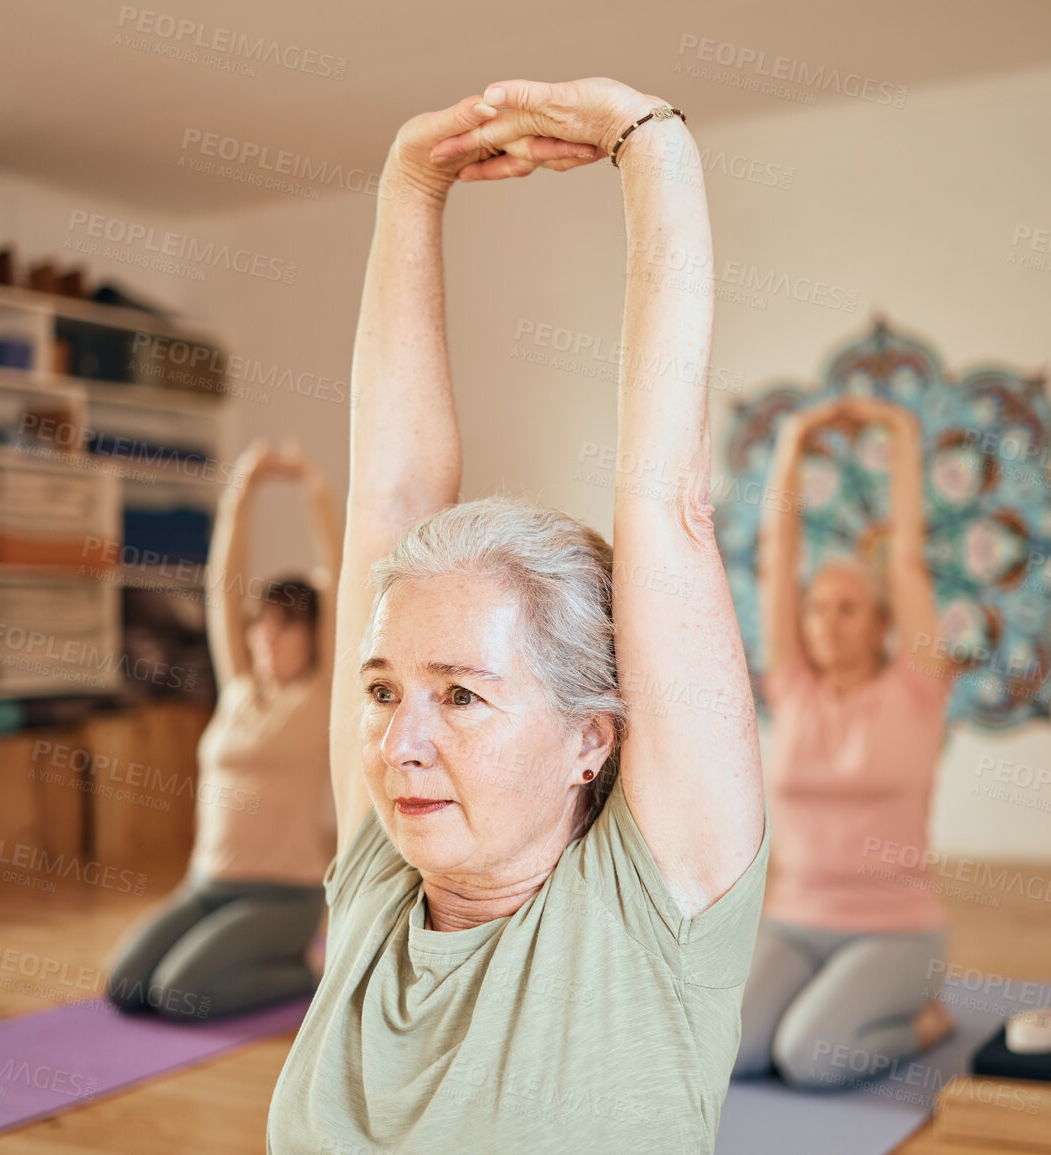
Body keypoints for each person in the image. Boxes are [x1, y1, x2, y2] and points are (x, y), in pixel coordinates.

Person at [264, 78, 768, 1154]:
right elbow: (390, 503)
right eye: (383, 688)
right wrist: (410, 183)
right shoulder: (379, 881)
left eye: (460, 695)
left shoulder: (652, 904)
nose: (400, 741)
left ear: (592, 737)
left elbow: (667, 508)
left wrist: (649, 143)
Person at [733, 395, 958, 1090]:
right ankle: (827, 997)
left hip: (895, 929)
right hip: (794, 920)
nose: (827, 622)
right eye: (816, 607)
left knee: (810, 1057)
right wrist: (794, 440)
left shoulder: (915, 688)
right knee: (731, 1053)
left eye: (848, 607)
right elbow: (776, 559)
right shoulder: (793, 686)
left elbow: (907, 564)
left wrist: (902, 435)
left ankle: (925, 1018)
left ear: (881, 621)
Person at [105, 438, 342, 1021]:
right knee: (125, 986)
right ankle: (265, 960)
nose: (266, 639)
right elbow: (220, 587)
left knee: (180, 995)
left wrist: (315, 489)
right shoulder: (238, 688)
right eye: (262, 626)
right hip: (206, 884)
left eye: (285, 628)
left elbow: (341, 581)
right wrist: (241, 491)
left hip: (282, 895)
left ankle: (302, 971)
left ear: (313, 636)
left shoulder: (319, 696)